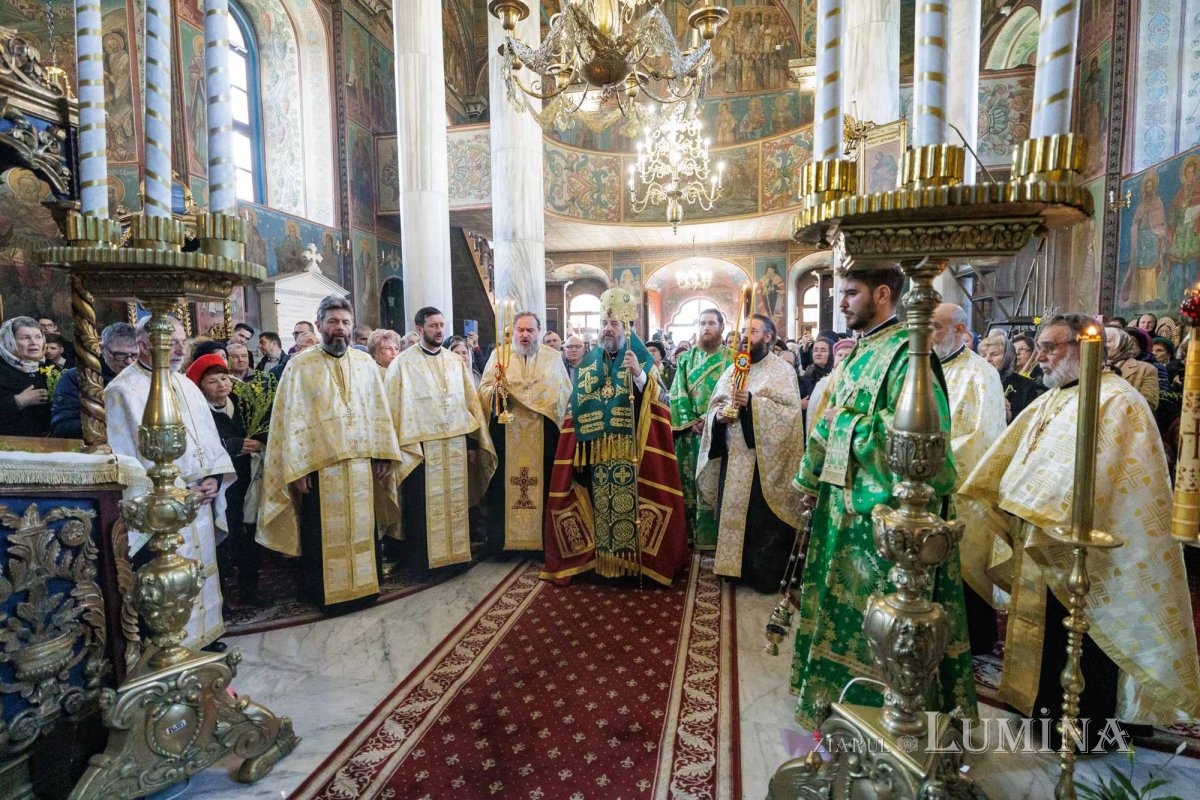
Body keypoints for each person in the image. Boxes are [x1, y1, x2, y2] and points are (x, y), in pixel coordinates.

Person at [959, 314, 1200, 749]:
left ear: (1085, 348)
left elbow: (1116, 481)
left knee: (1084, 641)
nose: (1041, 357)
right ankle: (1039, 711)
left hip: (1093, 552)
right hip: (1043, 537)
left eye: (1051, 348)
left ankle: (1084, 732)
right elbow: (1012, 457)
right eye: (1041, 347)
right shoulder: (1052, 398)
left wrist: (1043, 509)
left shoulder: (1120, 402)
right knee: (1047, 636)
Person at [789, 267, 976, 728]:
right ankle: (836, 707)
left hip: (884, 518)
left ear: (884, 294)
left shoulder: (908, 353)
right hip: (844, 509)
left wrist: (839, 422)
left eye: (851, 293)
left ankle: (885, 717)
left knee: (882, 623)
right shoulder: (862, 351)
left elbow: (919, 439)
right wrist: (813, 480)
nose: (843, 303)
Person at [258, 296, 408, 613]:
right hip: (318, 470)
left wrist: (383, 455)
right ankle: (325, 595)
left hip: (361, 467)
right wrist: (296, 469)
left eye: (345, 322)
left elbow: (378, 413)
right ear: (319, 325)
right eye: (332, 322)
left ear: (352, 326)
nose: (339, 329)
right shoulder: (299, 366)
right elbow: (289, 421)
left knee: (364, 527)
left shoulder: (365, 364)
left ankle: (366, 589)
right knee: (320, 534)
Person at [541, 288, 688, 586]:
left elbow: (659, 401)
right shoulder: (586, 365)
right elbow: (574, 407)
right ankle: (602, 565)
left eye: (614, 324)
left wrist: (639, 376)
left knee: (633, 509)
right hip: (595, 453)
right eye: (604, 323)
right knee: (598, 508)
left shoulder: (642, 360)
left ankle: (633, 566)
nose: (608, 329)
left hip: (634, 451)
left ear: (626, 329)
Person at [105, 315, 235, 649]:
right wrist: (176, 492)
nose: (179, 349)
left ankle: (204, 637)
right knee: (166, 573)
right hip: (161, 509)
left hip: (200, 500)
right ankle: (171, 644)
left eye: (182, 341)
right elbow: (124, 464)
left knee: (199, 569)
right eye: (170, 341)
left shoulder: (185, 384)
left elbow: (208, 441)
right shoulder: (122, 391)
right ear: (144, 345)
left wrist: (214, 480)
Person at [696, 315, 805, 592]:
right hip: (732, 459)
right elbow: (715, 407)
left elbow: (789, 415)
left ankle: (763, 575)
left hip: (763, 464)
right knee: (730, 515)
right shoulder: (733, 370)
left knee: (759, 522)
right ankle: (733, 570)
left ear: (768, 336)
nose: (745, 335)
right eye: (743, 330)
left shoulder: (781, 371)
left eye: (753, 331)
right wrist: (719, 416)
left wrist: (753, 404)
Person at [386, 307, 496, 574]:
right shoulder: (403, 363)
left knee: (455, 504)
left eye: (442, 325)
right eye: (433, 325)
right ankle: (424, 564)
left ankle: (456, 559)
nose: (439, 330)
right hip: (421, 449)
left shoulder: (454, 361)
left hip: (455, 446)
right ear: (420, 328)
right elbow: (393, 408)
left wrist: (472, 443)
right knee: (422, 507)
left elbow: (468, 404)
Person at [931, 304, 1007, 655]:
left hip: (961, 486)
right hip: (923, 484)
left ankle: (972, 639)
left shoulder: (982, 374)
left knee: (966, 564)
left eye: (936, 327)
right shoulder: (921, 368)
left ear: (960, 330)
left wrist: (932, 460)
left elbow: (983, 436)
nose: (929, 334)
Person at [479, 312, 571, 557]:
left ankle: (543, 544)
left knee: (544, 486)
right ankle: (502, 545)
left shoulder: (552, 358)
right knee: (504, 487)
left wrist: (535, 402)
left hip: (544, 435)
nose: (525, 335)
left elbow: (562, 393)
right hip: (506, 433)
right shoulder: (499, 355)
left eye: (530, 330)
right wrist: (498, 392)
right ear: (513, 331)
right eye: (520, 330)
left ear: (539, 332)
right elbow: (484, 390)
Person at [187, 353, 269, 607]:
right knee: (223, 540)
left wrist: (260, 441)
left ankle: (251, 590)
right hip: (221, 485)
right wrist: (231, 445)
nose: (222, 385)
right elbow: (197, 444)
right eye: (212, 381)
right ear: (200, 386)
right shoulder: (197, 412)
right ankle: (219, 601)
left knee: (249, 537)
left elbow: (263, 427)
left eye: (224, 378)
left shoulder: (243, 404)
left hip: (249, 479)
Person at [669, 308, 732, 550]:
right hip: (690, 433)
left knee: (715, 481)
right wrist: (691, 421)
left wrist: (712, 420)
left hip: (718, 432)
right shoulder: (685, 359)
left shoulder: (733, 358)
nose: (706, 328)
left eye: (711, 323)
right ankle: (689, 535)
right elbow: (677, 393)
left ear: (721, 326)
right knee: (688, 483)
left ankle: (712, 537)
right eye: (702, 323)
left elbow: (733, 394)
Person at [51, 322, 137, 438]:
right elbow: (62, 426)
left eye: (135, 355)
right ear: (102, 349)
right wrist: (114, 427)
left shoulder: (144, 378)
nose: (129, 361)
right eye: (120, 355)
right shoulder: (76, 377)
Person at [0, 316, 53, 437]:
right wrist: (18, 401)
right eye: (25, 338)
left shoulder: (49, 367)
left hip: (48, 443)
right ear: (10, 341)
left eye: (38, 337)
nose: (34, 343)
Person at [977, 333, 1045, 422]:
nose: (987, 359)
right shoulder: (975, 382)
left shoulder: (1027, 386)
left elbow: (1032, 419)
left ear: (1008, 357)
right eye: (983, 355)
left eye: (994, 354)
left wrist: (1010, 415)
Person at [804, 337, 854, 437]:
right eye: (840, 355)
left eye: (847, 356)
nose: (843, 358)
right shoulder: (823, 382)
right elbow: (812, 414)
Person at [1105, 327, 1159, 410]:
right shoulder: (1089, 367)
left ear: (1123, 343)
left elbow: (1150, 404)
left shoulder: (1146, 369)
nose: (1103, 344)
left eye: (1108, 340)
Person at [644, 340, 671, 404]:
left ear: (661, 355)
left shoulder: (672, 371)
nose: (650, 354)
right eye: (648, 352)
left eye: (654, 351)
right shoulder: (643, 374)